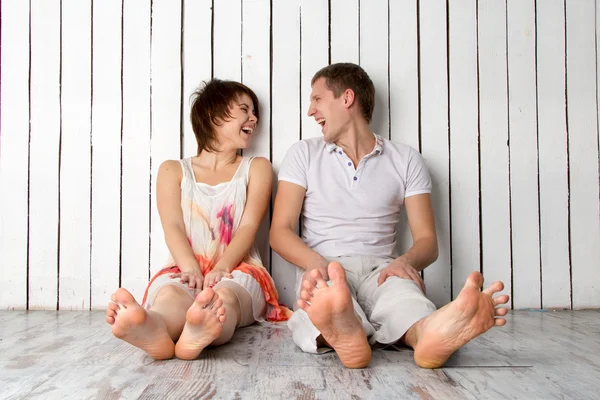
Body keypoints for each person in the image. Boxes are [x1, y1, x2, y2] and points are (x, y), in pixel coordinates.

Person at [270, 63, 509, 369]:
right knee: (323, 306)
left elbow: (426, 241)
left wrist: (405, 263)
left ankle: (428, 335)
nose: (310, 111)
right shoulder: (303, 153)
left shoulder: (406, 159)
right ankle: (345, 328)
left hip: (383, 270)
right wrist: (319, 266)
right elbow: (280, 231)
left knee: (407, 303)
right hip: (325, 268)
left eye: (317, 99)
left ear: (346, 98)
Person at [106, 79, 290, 360]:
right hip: (183, 265)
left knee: (225, 299)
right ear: (213, 115)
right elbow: (173, 227)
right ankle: (153, 327)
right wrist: (190, 268)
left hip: (238, 268)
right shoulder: (173, 170)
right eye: (244, 109)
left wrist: (223, 267)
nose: (253, 118)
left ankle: (202, 331)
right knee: (170, 295)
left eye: (255, 113)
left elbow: (249, 226)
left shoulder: (257, 168)